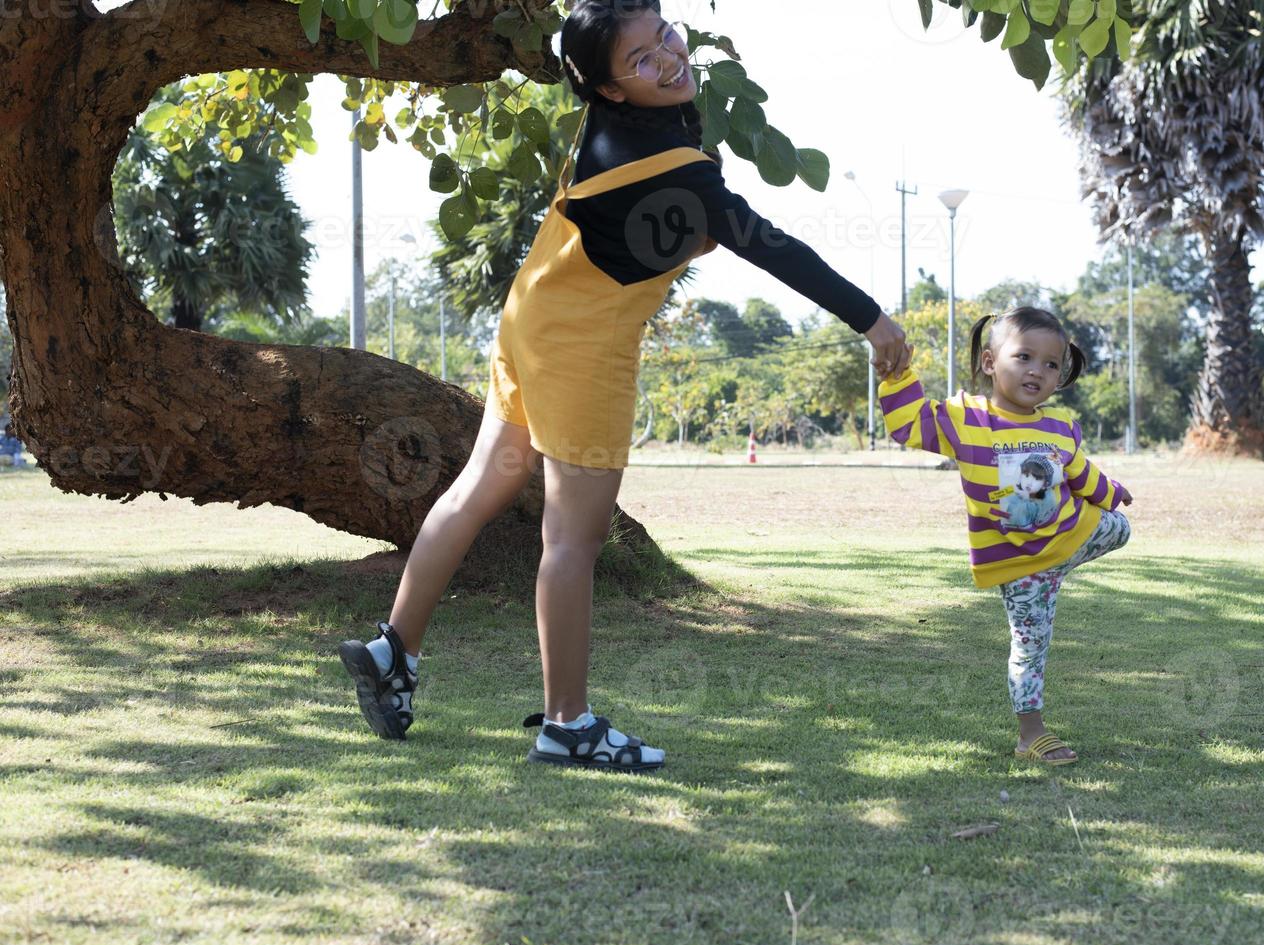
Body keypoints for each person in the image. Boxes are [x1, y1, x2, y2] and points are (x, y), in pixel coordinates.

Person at [337, 0, 911, 771]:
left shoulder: (620, 129)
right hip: (581, 343)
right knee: (572, 538)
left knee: (478, 490)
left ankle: (391, 650)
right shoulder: (673, 162)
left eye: (664, 36)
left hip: (530, 316)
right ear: (607, 88)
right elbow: (769, 247)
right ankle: (567, 724)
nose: (668, 58)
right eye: (641, 58)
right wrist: (870, 318)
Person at [878, 307, 1131, 766]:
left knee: (1121, 528)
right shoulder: (966, 418)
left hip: (1070, 536)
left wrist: (1112, 491)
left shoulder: (1058, 427)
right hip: (1021, 569)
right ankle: (1030, 735)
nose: (1038, 370)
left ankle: (1067, 552)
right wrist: (898, 376)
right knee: (1030, 648)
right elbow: (907, 423)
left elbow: (1080, 472)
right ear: (992, 363)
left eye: (1051, 364)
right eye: (1025, 357)